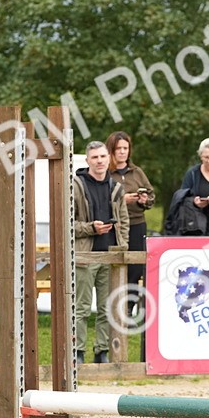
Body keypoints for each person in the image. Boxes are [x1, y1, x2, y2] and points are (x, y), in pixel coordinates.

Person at [72, 141, 128, 364]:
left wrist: (122, 246)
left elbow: (124, 221)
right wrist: (90, 228)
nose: (99, 161)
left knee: (107, 308)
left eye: (103, 156)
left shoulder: (116, 187)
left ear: (109, 158)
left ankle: (101, 351)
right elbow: (66, 223)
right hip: (85, 255)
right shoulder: (75, 185)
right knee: (82, 308)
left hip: (110, 255)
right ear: (87, 160)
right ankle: (78, 352)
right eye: (94, 157)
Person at [107, 131, 155, 322]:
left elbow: (151, 196)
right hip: (113, 226)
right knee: (114, 265)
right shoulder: (105, 172)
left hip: (137, 224)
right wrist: (121, 200)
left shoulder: (137, 172)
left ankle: (128, 309)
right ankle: (112, 308)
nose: (122, 152)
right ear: (111, 150)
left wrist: (144, 199)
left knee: (136, 268)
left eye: (125, 148)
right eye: (118, 148)